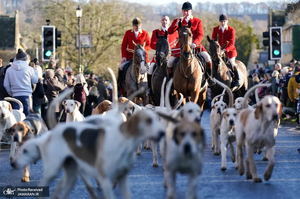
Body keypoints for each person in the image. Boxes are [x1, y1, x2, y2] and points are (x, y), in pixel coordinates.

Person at [167, 2, 213, 84]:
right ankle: (171, 82)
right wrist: (176, 24)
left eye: (187, 11)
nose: (186, 13)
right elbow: (169, 32)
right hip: (181, 47)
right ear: (182, 11)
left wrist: (195, 43)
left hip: (195, 45)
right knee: (170, 62)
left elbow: (200, 35)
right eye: (184, 11)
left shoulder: (197, 21)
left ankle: (209, 78)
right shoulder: (178, 21)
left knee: (207, 58)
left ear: (191, 12)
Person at [147, 15, 178, 96]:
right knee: (150, 68)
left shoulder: (175, 32)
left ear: (169, 22)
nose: (164, 21)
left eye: (166, 20)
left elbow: (178, 44)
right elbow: (152, 44)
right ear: (161, 22)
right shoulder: (156, 32)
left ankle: (176, 88)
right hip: (159, 55)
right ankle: (149, 89)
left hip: (171, 55)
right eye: (163, 20)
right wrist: (160, 48)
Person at [117, 18, 151, 86]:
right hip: (130, 56)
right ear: (132, 26)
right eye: (136, 26)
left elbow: (149, 45)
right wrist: (123, 56)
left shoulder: (145, 33)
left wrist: (143, 50)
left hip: (142, 57)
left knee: (150, 69)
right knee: (121, 67)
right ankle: (119, 84)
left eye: (139, 26)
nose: (138, 27)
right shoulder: (128, 33)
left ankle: (150, 87)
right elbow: (123, 45)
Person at [4, 49, 38, 116]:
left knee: (17, 116)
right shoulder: (29, 69)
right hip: (27, 95)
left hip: (15, 96)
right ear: (25, 59)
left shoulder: (9, 70)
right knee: (28, 117)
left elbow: (6, 84)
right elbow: (35, 80)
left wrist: (10, 92)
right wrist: (36, 72)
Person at [211, 13, 240, 87]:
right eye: (221, 21)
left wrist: (224, 50)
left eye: (224, 21)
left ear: (227, 21)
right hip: (219, 52)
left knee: (232, 63)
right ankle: (210, 79)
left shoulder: (231, 30)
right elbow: (213, 41)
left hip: (230, 52)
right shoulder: (216, 29)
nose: (223, 23)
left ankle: (237, 79)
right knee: (213, 64)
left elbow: (232, 43)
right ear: (219, 22)